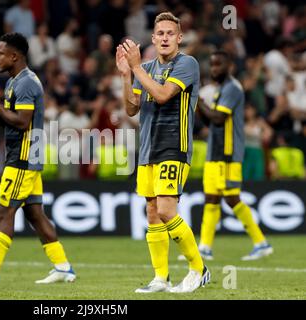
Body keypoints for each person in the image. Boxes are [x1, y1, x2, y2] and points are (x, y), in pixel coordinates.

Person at [0, 33, 76, 285]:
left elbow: (22, 123)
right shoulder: (15, 82)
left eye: (1, 53)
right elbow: (10, 123)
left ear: (15, 56)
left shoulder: (25, 83)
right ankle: (63, 268)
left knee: (5, 210)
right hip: (24, 155)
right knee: (35, 214)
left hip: (23, 157)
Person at [117, 12, 210, 293]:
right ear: (154, 38)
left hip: (173, 145)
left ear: (179, 38)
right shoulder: (145, 67)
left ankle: (198, 269)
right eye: (161, 34)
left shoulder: (187, 64)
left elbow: (162, 95)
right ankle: (161, 278)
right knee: (153, 212)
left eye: (171, 33)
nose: (165, 38)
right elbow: (132, 108)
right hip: (148, 148)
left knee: (168, 211)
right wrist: (125, 76)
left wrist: (136, 68)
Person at [196, 51, 273, 261]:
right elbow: (209, 122)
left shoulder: (233, 88)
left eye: (218, 64)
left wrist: (197, 99)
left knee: (231, 198)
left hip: (228, 154)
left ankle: (261, 243)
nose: (214, 69)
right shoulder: (220, 89)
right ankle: (204, 247)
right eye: (211, 65)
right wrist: (197, 104)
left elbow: (219, 118)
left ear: (229, 65)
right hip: (214, 152)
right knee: (211, 199)